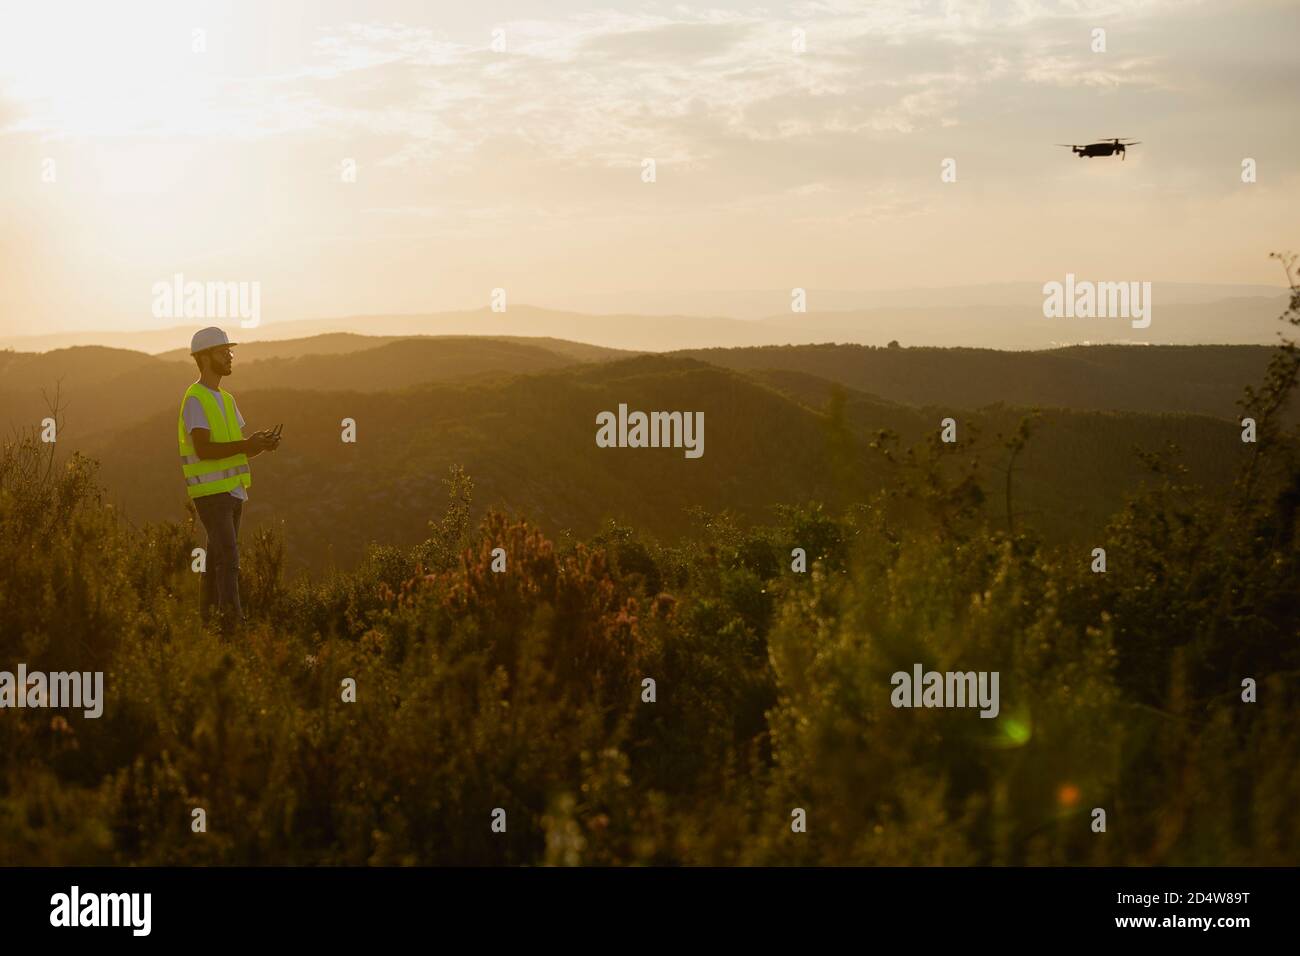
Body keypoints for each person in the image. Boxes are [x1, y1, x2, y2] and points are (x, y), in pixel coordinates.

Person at [178, 327, 280, 632]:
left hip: (233, 492)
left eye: (230, 351)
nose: (230, 356)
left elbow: (238, 450)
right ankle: (233, 628)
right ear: (206, 358)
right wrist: (247, 444)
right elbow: (204, 449)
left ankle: (208, 625)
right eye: (224, 352)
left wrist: (259, 445)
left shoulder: (226, 399)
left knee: (216, 563)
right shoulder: (195, 398)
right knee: (229, 559)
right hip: (211, 494)